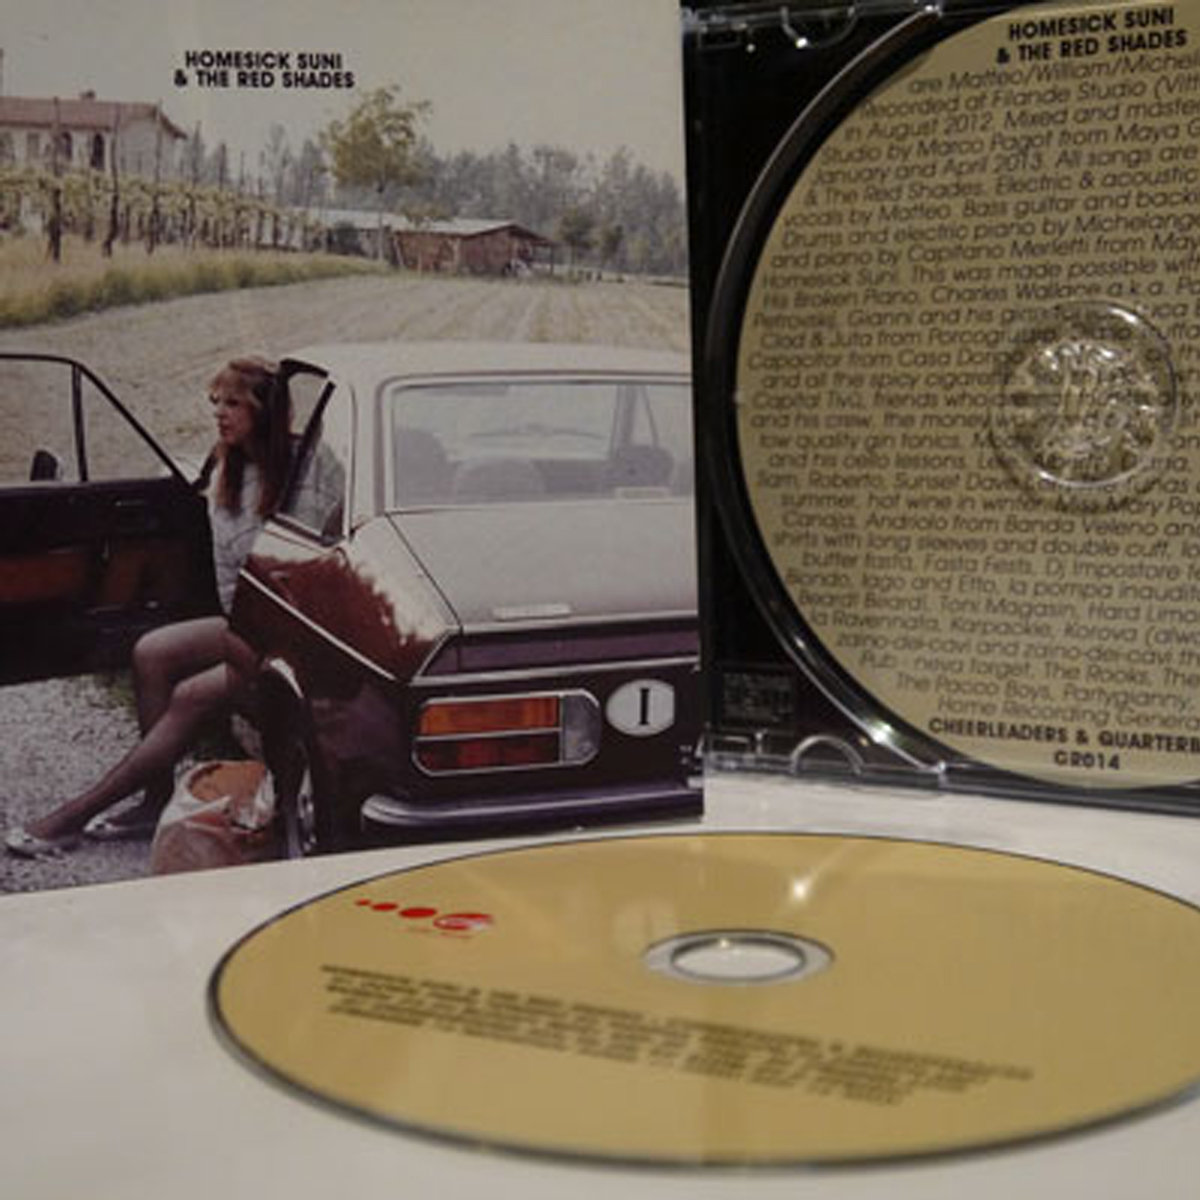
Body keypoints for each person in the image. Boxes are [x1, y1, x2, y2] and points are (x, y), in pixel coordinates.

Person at [5, 356, 292, 860]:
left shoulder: (296, 475)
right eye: (216, 403)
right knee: (152, 650)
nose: (220, 413)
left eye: (233, 404)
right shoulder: (227, 465)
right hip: (240, 623)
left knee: (190, 695)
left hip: (280, 636)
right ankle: (154, 802)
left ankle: (70, 818)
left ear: (264, 411)